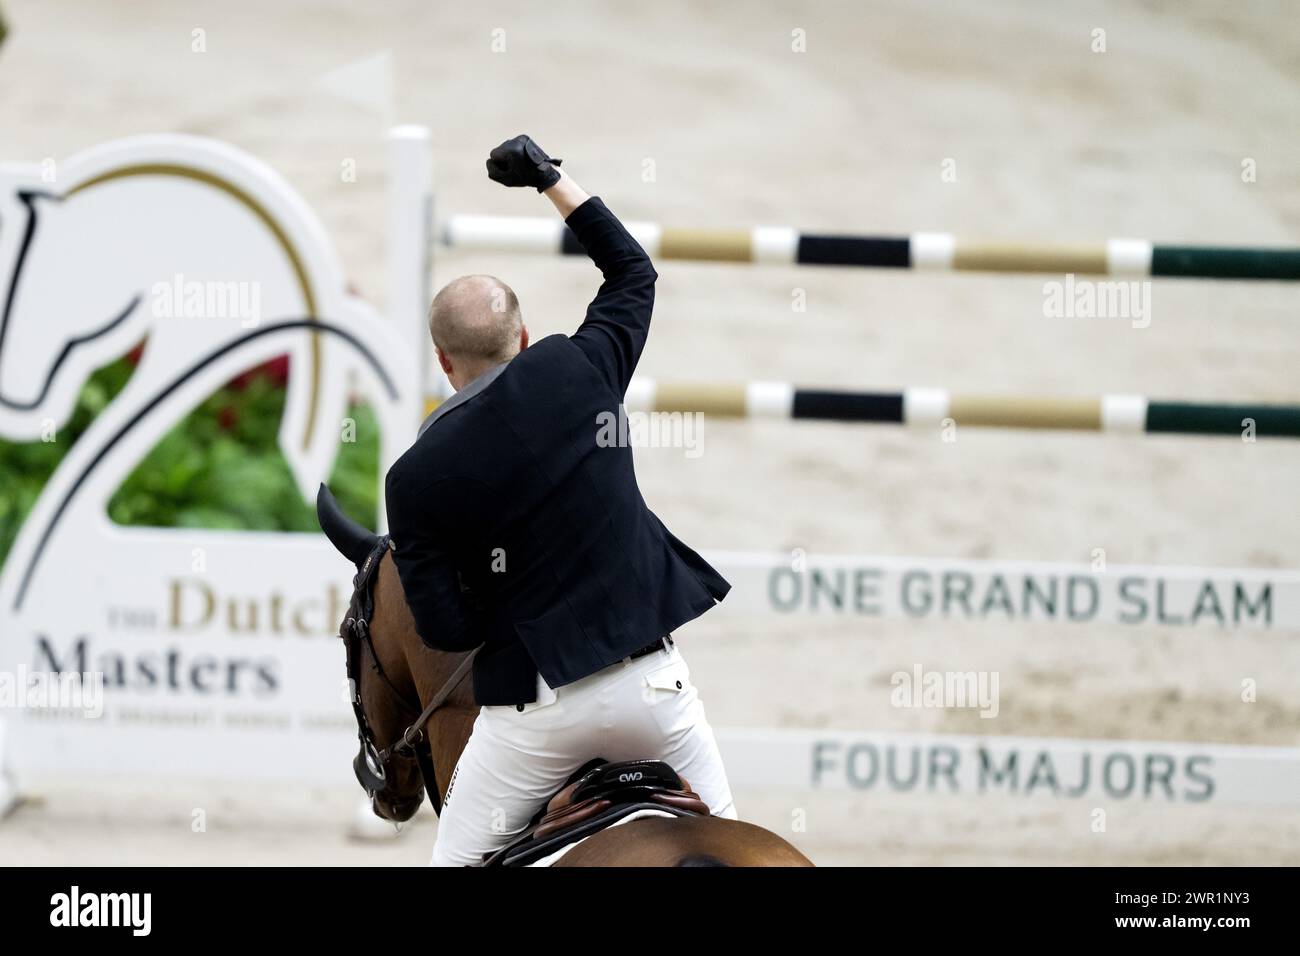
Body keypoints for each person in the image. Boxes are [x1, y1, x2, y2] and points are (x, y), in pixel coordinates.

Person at [384, 135, 737, 866]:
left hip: (535, 720)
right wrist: (550, 179)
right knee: (738, 845)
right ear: (523, 335)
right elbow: (633, 270)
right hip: (653, 692)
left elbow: (444, 629)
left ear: (444, 364)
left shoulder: (414, 478)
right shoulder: (581, 368)